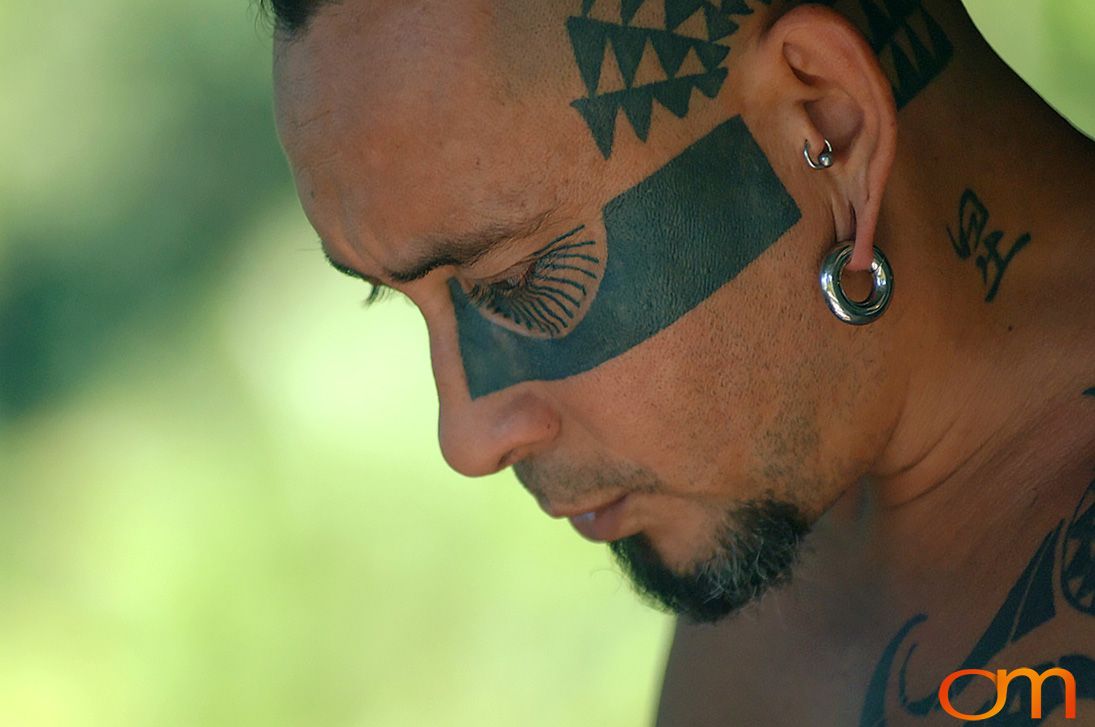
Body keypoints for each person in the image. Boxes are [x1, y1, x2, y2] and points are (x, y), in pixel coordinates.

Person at [265, 0, 1095, 722]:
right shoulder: (783, 510)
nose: (468, 438)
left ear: (830, 128)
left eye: (515, 281)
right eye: (393, 297)